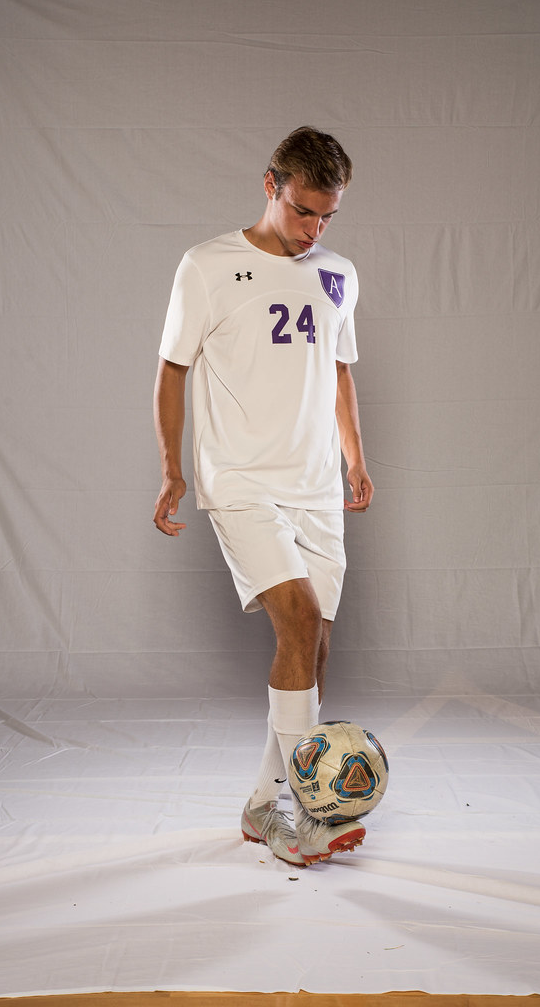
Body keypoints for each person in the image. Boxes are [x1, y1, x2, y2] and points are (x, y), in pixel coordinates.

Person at [153, 126, 373, 865]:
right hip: (241, 482)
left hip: (315, 484)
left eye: (328, 217)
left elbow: (340, 370)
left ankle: (259, 805)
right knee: (300, 618)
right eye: (305, 211)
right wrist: (173, 471)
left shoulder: (338, 271)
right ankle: (314, 813)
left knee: (316, 643)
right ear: (270, 183)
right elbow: (173, 368)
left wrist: (355, 461)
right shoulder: (208, 266)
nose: (315, 229)